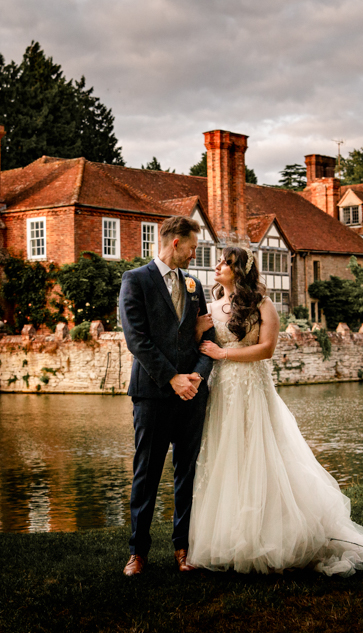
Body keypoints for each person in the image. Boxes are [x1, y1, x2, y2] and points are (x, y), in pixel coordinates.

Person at [188, 246, 363, 575]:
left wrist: (223, 354)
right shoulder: (211, 308)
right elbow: (195, 341)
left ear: (239, 270)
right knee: (227, 456)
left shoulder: (261, 305)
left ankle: (270, 533)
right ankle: (229, 537)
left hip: (251, 387)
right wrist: (198, 332)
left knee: (260, 454)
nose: (217, 266)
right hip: (223, 390)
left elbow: (267, 349)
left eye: (225, 263)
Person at [117, 216, 216, 576]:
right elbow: (137, 339)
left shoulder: (194, 284)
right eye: (192, 246)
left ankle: (183, 549)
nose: (194, 253)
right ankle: (137, 553)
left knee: (186, 473)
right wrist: (172, 378)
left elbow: (208, 338)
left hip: (191, 394)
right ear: (175, 243)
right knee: (147, 472)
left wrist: (197, 378)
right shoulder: (136, 280)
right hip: (153, 393)